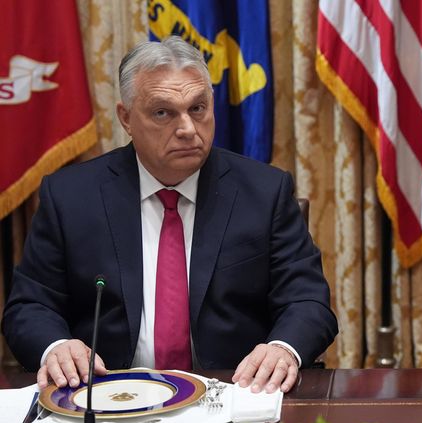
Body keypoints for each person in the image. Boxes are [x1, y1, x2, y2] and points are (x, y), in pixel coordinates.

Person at [3, 37, 338, 393]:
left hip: (233, 396)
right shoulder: (71, 197)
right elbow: (29, 306)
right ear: (126, 118)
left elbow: (307, 301)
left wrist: (282, 349)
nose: (188, 129)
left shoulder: (264, 192)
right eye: (163, 112)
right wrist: (57, 347)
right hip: (107, 398)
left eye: (198, 108)